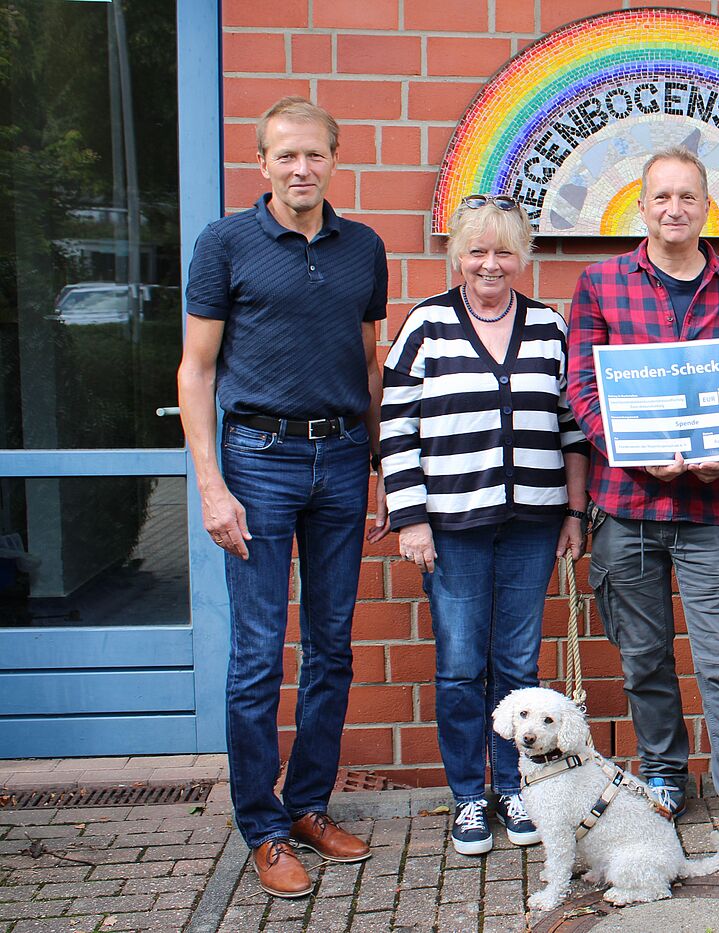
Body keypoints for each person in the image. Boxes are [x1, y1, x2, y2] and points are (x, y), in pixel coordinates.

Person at [177, 96, 386, 898]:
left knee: (332, 647)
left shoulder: (362, 247)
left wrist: (373, 468)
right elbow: (196, 371)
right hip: (255, 460)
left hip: (339, 460)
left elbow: (368, 364)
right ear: (261, 163)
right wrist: (211, 485)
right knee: (259, 654)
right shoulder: (225, 243)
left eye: (315, 156)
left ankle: (308, 806)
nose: (302, 169)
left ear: (335, 160)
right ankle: (261, 827)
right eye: (286, 156)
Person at [565, 146, 719, 879]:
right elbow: (583, 388)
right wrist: (628, 449)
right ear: (642, 205)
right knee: (644, 658)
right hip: (626, 503)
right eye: (661, 197)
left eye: (687, 196)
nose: (674, 209)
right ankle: (665, 778)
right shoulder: (600, 283)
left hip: (710, 509)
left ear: (705, 206)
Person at [379, 194, 588, 857]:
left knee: (518, 666)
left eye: (503, 250)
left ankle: (516, 788)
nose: (489, 263)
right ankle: (470, 795)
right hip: (452, 528)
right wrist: (410, 517)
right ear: (457, 255)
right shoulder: (427, 325)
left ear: (521, 257)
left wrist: (574, 511)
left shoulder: (549, 327)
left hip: (532, 522)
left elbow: (572, 426)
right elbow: (396, 426)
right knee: (462, 666)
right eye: (476, 250)